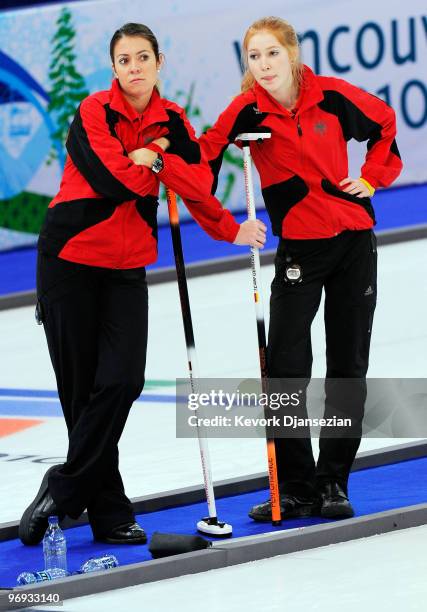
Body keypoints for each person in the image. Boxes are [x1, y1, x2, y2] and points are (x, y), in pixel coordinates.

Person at [19, 22, 266, 546]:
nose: (133, 67)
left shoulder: (172, 118)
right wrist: (155, 162)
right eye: (124, 60)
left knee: (125, 380)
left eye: (142, 57)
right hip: (70, 261)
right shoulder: (93, 113)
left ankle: (61, 489)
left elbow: (199, 183)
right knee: (81, 395)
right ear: (114, 69)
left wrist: (166, 164)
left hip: (127, 266)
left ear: (159, 63)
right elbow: (112, 181)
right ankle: (110, 513)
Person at [198, 16, 402, 520]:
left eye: (272, 53)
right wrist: (168, 158)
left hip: (354, 242)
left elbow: (385, 124)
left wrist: (371, 178)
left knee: (347, 367)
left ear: (292, 53)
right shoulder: (246, 109)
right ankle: (295, 485)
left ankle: (333, 481)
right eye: (253, 56)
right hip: (299, 252)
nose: (263, 65)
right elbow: (202, 155)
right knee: (285, 368)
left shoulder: (330, 96)